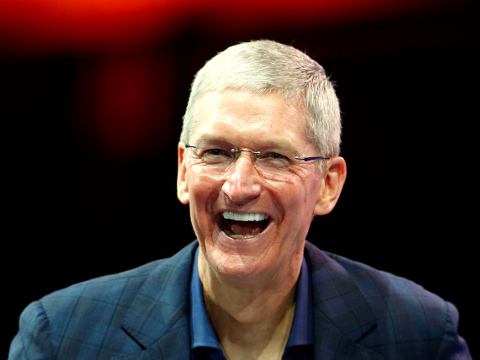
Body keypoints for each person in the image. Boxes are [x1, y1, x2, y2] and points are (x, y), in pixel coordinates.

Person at [9, 40, 471, 360]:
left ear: (328, 184)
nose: (239, 185)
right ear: (183, 171)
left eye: (274, 156)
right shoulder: (62, 335)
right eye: (216, 152)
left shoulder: (419, 334)